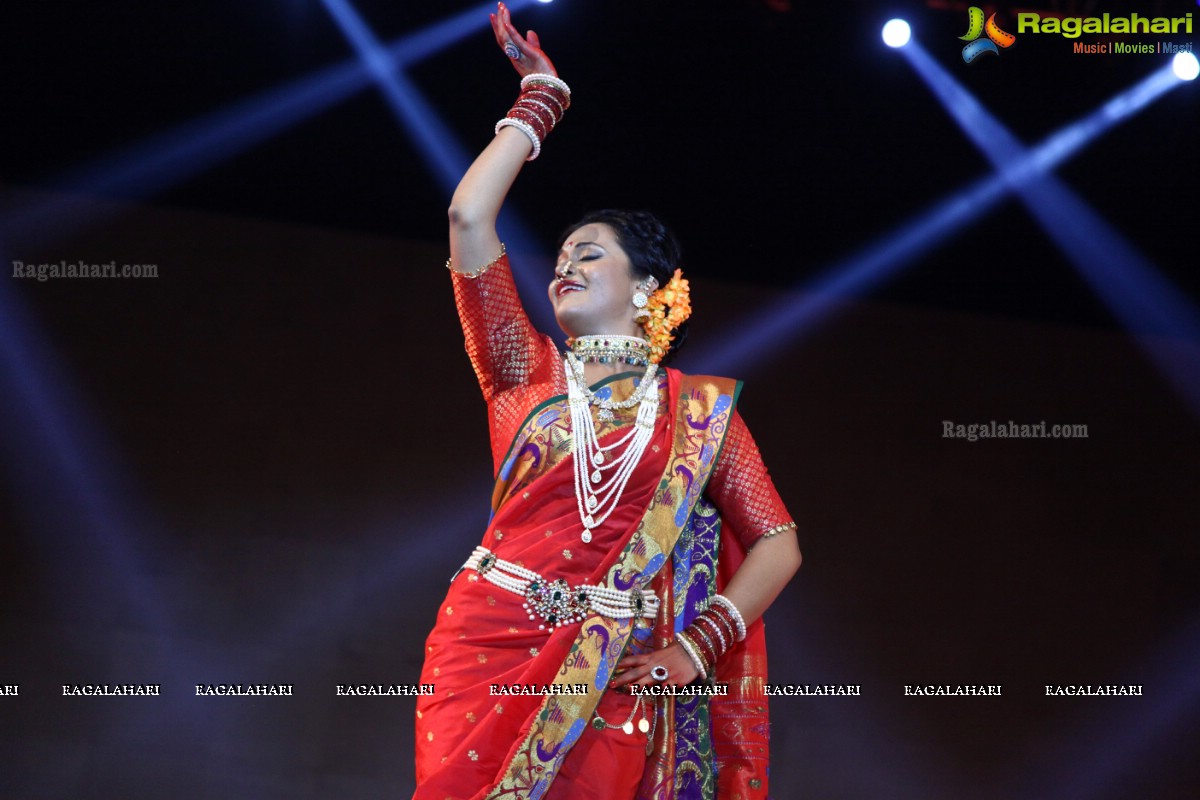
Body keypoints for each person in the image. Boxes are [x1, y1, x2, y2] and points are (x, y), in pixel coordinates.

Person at [413, 5, 802, 798]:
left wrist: (695, 650)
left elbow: (780, 543)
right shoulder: (524, 370)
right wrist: (540, 101)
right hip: (485, 637)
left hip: (614, 662)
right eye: (558, 256)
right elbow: (466, 215)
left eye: (589, 254)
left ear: (649, 287)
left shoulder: (697, 415)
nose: (564, 266)